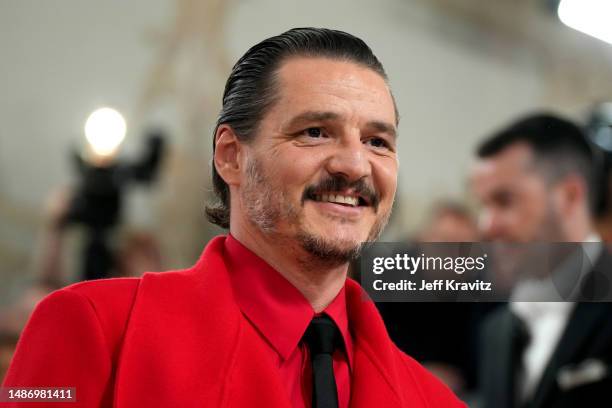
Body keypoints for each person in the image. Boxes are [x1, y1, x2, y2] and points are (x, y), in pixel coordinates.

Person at [2, 28, 464, 407]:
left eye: (377, 141)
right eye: (316, 132)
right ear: (230, 156)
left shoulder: (438, 402)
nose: (355, 164)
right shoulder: (91, 328)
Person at [470, 113, 612, 408]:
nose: (486, 224)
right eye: (483, 205)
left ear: (570, 197)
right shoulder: (495, 331)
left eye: (505, 201)